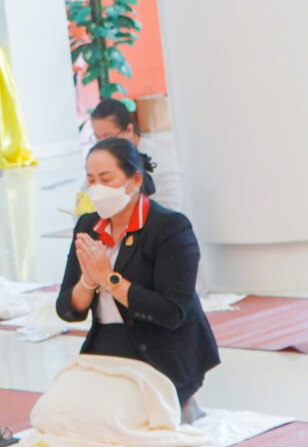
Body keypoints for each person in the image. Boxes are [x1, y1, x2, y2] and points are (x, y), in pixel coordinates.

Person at [53, 137, 219, 413]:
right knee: (60, 412)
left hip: (163, 347)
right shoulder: (88, 225)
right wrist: (88, 281)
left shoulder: (170, 227)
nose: (96, 188)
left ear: (135, 180)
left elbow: (171, 312)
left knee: (121, 418)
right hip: (107, 342)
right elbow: (67, 309)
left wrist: (109, 278)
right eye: (91, 180)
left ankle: (183, 407)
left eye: (106, 179)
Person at [89, 96, 183, 207]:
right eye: (98, 138)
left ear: (129, 130)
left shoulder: (159, 161)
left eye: (109, 137)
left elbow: (170, 209)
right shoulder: (101, 161)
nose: (103, 145)